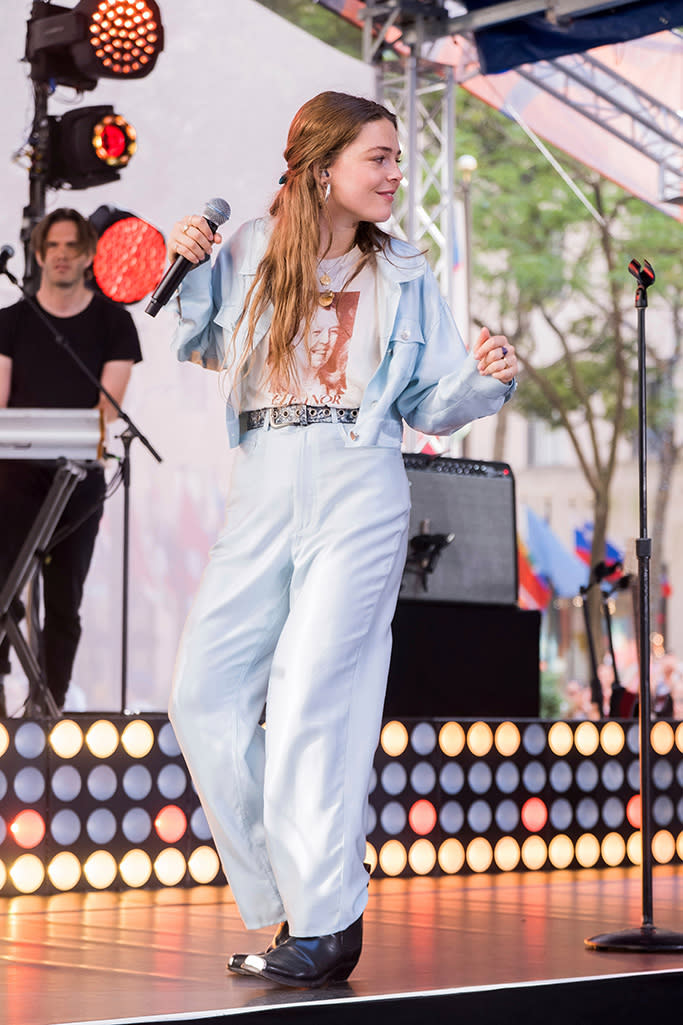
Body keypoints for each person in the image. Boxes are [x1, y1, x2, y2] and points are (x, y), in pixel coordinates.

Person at [167, 91, 518, 988]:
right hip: (264, 478)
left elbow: (432, 400)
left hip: (356, 477)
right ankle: (298, 894)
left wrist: (481, 383)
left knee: (310, 697)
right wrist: (188, 260)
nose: (396, 175)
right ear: (323, 167)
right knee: (202, 695)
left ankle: (326, 923)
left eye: (398, 157)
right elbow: (205, 343)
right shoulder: (249, 246)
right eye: (380, 158)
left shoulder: (401, 270)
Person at [0, 208, 142, 716]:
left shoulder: (114, 324)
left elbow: (108, 408)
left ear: (88, 256)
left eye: (71, 246)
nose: (61, 254)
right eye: (52, 246)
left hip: (80, 481)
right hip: (14, 479)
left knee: (64, 599)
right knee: (3, 586)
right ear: (39, 255)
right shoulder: (11, 322)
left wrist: (81, 437)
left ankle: (48, 706)